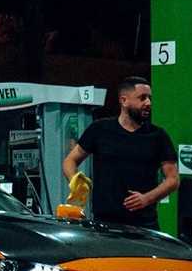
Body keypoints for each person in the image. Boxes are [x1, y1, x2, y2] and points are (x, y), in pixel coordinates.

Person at [61, 76, 179, 228]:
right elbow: (69, 161)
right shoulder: (100, 129)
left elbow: (173, 180)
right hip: (104, 224)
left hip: (144, 225)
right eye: (142, 98)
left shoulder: (158, 136)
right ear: (124, 101)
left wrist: (147, 198)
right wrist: (75, 181)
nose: (148, 103)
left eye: (150, 98)